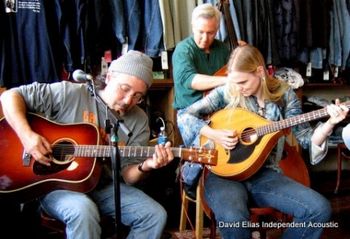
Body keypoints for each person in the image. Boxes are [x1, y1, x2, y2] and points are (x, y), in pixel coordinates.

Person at [177, 44, 349, 239]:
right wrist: (213, 134)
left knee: (318, 209)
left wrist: (329, 124)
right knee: (234, 220)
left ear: (259, 72)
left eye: (243, 82)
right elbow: (184, 116)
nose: (239, 88)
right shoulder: (229, 91)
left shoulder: (284, 96)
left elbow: (307, 139)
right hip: (223, 175)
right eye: (235, 83)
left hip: (265, 174)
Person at [0, 50, 174, 239]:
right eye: (124, 89)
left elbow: (128, 176)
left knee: (154, 215)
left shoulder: (139, 120)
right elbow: (9, 96)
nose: (128, 101)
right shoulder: (70, 93)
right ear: (109, 76)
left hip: (104, 186)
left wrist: (146, 165)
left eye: (137, 96)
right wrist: (27, 136)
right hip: (57, 185)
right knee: (83, 210)